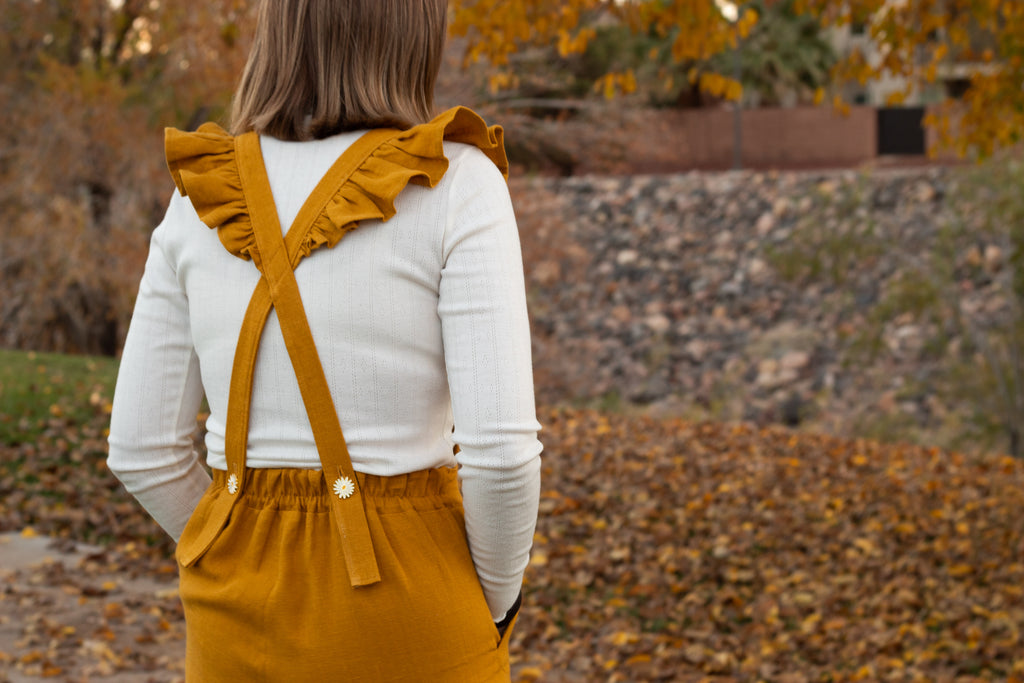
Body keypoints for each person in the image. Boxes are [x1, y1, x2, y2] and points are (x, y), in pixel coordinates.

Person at [106, 0, 542, 680]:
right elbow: (504, 456)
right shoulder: (456, 183)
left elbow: (140, 449)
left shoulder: (200, 195)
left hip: (232, 613)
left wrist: (241, 539)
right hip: (414, 609)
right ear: (415, 30)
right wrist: (492, 602)